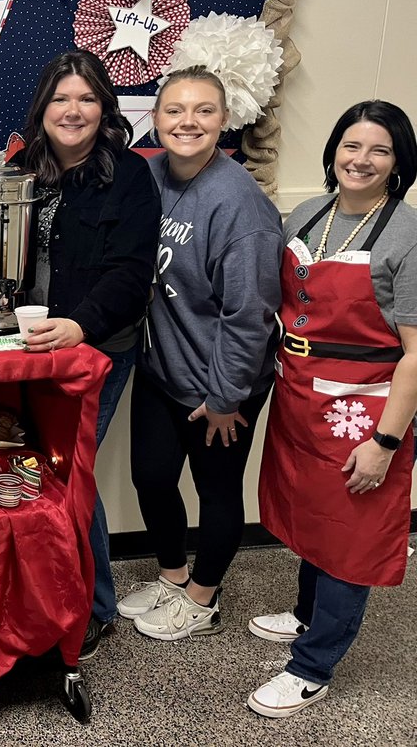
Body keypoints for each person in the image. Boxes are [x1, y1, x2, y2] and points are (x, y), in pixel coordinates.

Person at [247, 101, 417, 717]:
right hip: (299, 393)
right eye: (351, 145)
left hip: (364, 410)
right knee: (311, 515)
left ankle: (313, 664)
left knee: (349, 534)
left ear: (399, 163)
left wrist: (387, 442)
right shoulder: (308, 214)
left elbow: (416, 355)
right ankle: (304, 613)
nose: (361, 160)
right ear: (334, 150)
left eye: (379, 150)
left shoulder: (407, 234)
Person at [117, 67, 282, 641]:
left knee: (216, 491)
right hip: (162, 368)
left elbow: (251, 315)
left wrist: (224, 397)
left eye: (204, 110)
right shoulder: (150, 174)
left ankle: (203, 597)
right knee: (152, 478)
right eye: (175, 110)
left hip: (223, 384)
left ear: (225, 120)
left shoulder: (240, 206)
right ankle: (172, 576)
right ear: (155, 117)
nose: (188, 122)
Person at [18, 49, 160, 659]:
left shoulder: (128, 176)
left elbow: (132, 274)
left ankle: (97, 605)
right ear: (43, 110)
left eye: (86, 98)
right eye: (60, 99)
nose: (72, 110)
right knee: (32, 467)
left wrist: (80, 326)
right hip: (28, 345)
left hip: (97, 347)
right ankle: (38, 591)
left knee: (68, 467)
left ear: (104, 110)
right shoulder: (26, 167)